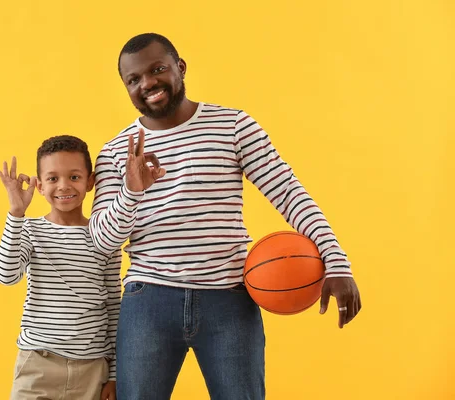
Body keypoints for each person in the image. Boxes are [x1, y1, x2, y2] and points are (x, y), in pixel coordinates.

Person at [89, 33, 362, 400]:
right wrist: (132, 190)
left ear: (180, 68)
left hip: (229, 300)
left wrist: (336, 262)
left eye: (157, 70)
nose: (147, 84)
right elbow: (101, 243)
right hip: (149, 301)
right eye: (133, 79)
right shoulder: (114, 153)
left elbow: (288, 193)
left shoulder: (233, 126)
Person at [0, 135, 120, 400]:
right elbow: (6, 276)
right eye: (53, 178)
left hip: (92, 368)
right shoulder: (29, 230)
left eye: (74, 177)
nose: (64, 186)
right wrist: (16, 213)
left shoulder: (104, 236)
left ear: (90, 181)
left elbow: (114, 305)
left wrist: (114, 374)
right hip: (38, 364)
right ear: (39, 185)